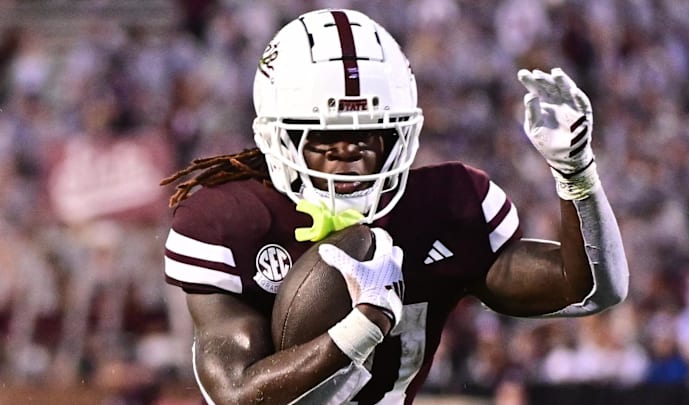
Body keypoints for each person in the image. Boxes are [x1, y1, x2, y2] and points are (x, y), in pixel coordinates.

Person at [160, 8, 629, 405]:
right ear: (276, 136)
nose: (348, 150)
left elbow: (590, 288)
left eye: (371, 132)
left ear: (401, 134)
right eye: (322, 134)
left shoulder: (446, 205)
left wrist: (576, 172)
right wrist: (363, 327)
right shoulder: (230, 221)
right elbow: (238, 394)